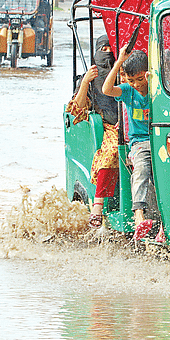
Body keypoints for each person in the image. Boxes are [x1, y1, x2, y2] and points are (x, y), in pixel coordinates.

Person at [102, 47, 156, 241]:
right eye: (132, 81)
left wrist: (153, 80)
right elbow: (106, 89)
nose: (137, 85)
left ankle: (163, 226)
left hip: (158, 140)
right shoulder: (127, 91)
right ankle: (138, 216)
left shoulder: (157, 88)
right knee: (141, 170)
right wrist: (118, 64)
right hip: (139, 143)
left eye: (140, 80)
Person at [65, 35, 120, 229]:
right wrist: (86, 82)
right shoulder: (90, 76)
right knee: (112, 152)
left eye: (110, 49)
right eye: (102, 49)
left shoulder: (123, 70)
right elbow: (76, 110)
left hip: (130, 122)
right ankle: (98, 206)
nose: (106, 53)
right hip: (107, 127)